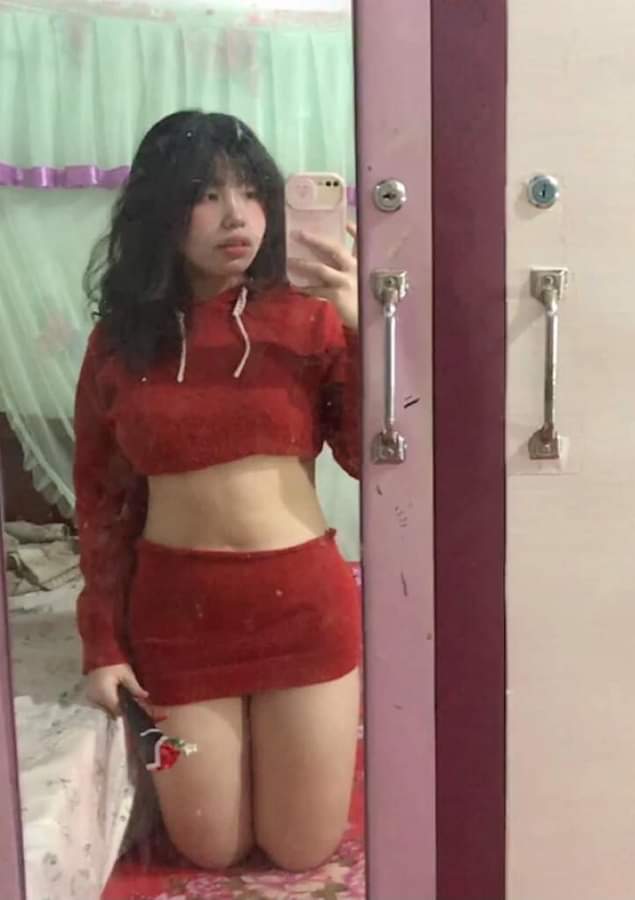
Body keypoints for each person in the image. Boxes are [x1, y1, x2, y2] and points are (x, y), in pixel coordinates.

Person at [74, 110, 361, 872]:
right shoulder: (119, 343)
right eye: (206, 195)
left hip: (305, 608)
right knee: (209, 846)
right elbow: (100, 502)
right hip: (177, 618)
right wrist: (101, 641)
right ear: (160, 212)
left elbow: (373, 458)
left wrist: (362, 328)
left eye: (251, 191)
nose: (237, 216)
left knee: (302, 849)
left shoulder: (310, 317)